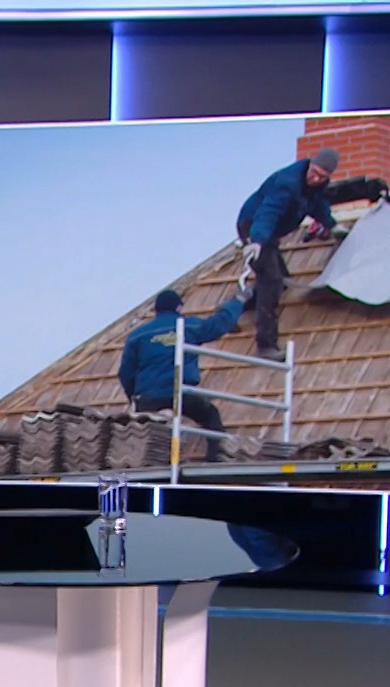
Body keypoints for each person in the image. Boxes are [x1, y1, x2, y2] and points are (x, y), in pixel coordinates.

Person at [118, 286, 250, 462]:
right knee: (210, 415)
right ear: (178, 307)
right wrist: (238, 301)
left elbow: (125, 373)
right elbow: (217, 325)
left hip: (148, 398)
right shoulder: (188, 326)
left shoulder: (137, 335)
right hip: (179, 393)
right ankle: (215, 458)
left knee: (148, 433)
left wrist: (134, 398)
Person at [235, 147, 340, 361]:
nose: (315, 178)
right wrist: (256, 240)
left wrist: (332, 225)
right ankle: (266, 345)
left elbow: (317, 206)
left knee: (281, 280)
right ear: (310, 164)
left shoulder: (315, 187)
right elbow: (268, 212)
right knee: (271, 280)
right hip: (254, 226)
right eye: (314, 172)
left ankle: (233, 307)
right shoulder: (288, 183)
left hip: (270, 233)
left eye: (321, 177)